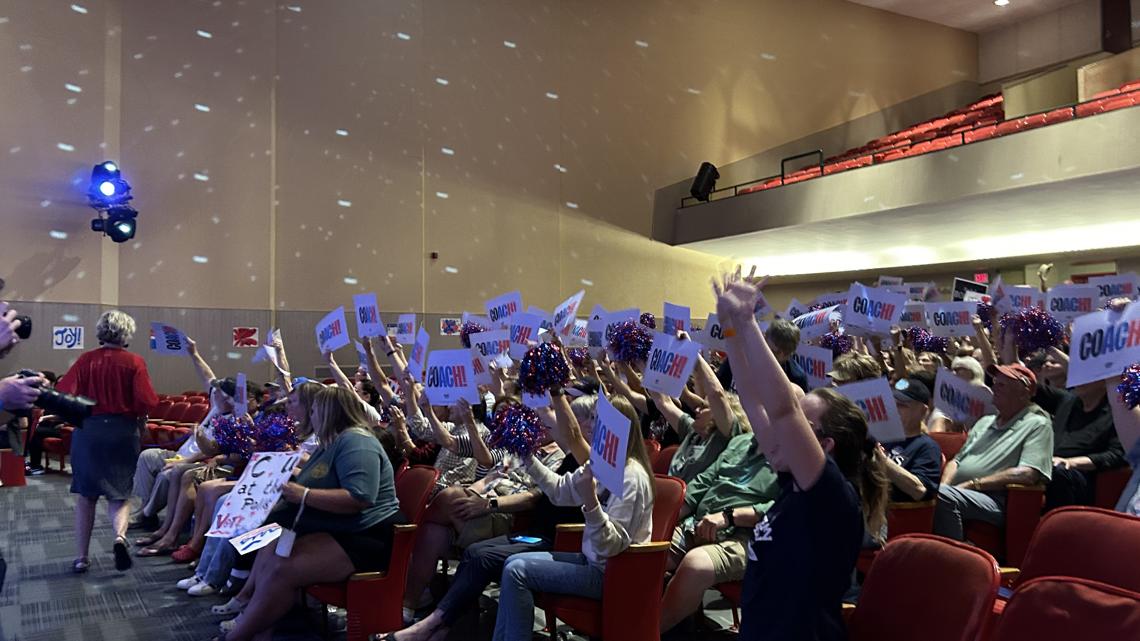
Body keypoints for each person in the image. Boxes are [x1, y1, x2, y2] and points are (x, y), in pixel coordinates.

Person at [713, 268, 887, 641]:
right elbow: (749, 394)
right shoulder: (793, 481)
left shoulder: (831, 496)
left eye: (801, 428)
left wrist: (748, 323)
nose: (780, 434)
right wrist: (729, 328)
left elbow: (781, 410)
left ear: (823, 446)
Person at [384, 393, 593, 640]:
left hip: (514, 515)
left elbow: (534, 497)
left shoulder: (567, 458)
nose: (538, 424)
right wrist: (475, 492)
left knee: (451, 504)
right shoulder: (516, 448)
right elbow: (487, 470)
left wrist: (488, 504)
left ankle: (424, 609)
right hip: (492, 507)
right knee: (436, 531)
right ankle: (416, 610)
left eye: (545, 421)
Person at [218, 386, 404, 641]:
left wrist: (302, 494)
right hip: (342, 528)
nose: (311, 415)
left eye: (315, 410)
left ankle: (237, 636)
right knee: (271, 553)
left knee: (281, 571)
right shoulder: (335, 440)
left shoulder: (357, 442)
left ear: (329, 412)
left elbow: (359, 497)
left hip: (366, 538)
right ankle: (255, 626)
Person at [490, 394, 654, 641]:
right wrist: (527, 457)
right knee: (511, 564)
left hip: (611, 573)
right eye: (591, 419)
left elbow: (610, 546)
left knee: (518, 572)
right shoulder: (602, 463)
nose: (589, 426)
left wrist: (591, 502)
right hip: (591, 562)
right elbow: (558, 491)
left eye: (597, 421)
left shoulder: (632, 477)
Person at [55, 310, 158, 573]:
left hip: (89, 431)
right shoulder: (135, 362)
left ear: (101, 331)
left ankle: (81, 557)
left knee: (86, 497)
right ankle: (120, 537)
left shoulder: (85, 360)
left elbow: (63, 392)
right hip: (123, 433)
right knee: (120, 494)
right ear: (127, 334)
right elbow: (147, 401)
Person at [660, 428, 777, 632]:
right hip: (699, 522)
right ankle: (626, 624)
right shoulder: (741, 442)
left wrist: (730, 516)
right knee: (652, 551)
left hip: (747, 537)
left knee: (695, 566)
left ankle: (646, 633)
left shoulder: (793, 457)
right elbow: (705, 480)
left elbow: (782, 508)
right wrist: (664, 521)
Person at [933, 363, 1053, 541]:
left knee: (943, 496)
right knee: (928, 492)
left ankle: (955, 557)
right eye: (995, 382)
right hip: (959, 492)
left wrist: (973, 484)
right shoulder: (984, 421)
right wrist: (946, 486)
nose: (994, 388)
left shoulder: (1037, 424)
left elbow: (1028, 473)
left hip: (996, 500)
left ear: (1023, 392)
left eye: (1002, 385)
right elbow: (956, 461)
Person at [648, 345, 746, 483]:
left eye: (704, 407)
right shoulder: (692, 431)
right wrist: (646, 363)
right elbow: (663, 402)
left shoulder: (724, 439)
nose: (697, 410)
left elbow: (717, 394)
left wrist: (693, 353)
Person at [877, 377, 942, 503]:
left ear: (922, 411)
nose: (894, 409)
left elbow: (920, 491)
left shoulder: (927, 447)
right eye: (892, 403)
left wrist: (881, 460)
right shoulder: (880, 438)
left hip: (895, 514)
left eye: (901, 405)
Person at [717, 319, 809, 394]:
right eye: (773, 351)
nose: (774, 359)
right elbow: (719, 387)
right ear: (764, 338)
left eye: (785, 354)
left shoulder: (797, 378)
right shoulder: (740, 357)